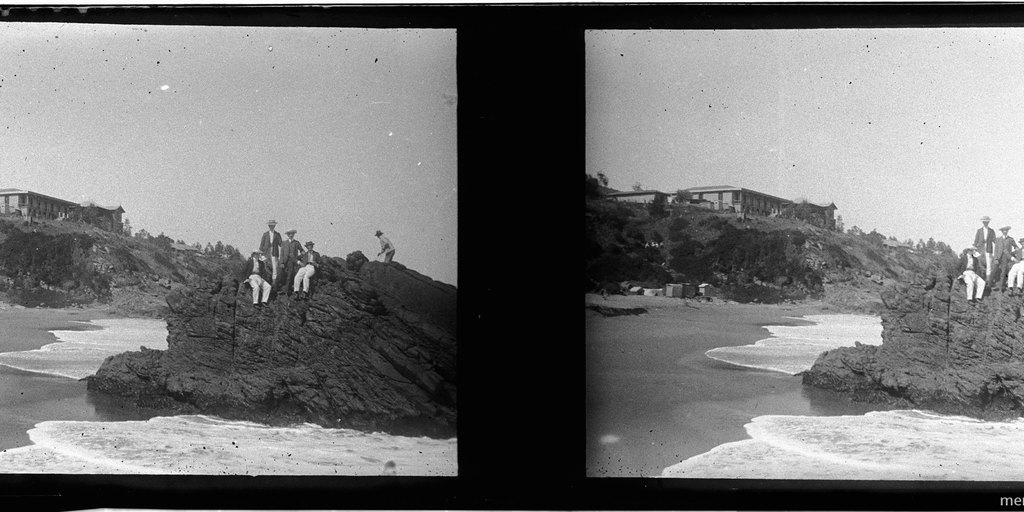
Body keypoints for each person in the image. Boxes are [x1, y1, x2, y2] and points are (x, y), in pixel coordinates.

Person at [278, 229, 305, 295]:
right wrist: (281, 262)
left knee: (290, 275)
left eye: (292, 234)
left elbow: (302, 250)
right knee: (280, 274)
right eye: (289, 234)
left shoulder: (296, 243)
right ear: (287, 235)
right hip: (284, 261)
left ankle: (287, 291)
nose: (291, 235)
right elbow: (281, 254)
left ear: (294, 234)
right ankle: (278, 289)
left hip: (292, 261)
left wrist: (299, 256)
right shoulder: (284, 243)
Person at [992, 226, 1020, 292]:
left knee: (1003, 271)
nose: (1005, 231)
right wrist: (996, 258)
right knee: (994, 270)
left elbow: (1016, 247)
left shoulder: (1010, 239)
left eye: (1006, 230)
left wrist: (1016, 251)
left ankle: (1001, 287)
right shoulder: (998, 239)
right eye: (1003, 230)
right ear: (1001, 231)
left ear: (1008, 231)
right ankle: (993, 284)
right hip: (998, 257)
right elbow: (995, 250)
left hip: (1006, 257)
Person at [260, 219, 283, 288]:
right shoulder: (265, 234)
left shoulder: (277, 234)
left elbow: (281, 244)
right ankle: (265, 281)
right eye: (270, 225)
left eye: (273, 225)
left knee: (274, 268)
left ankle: (274, 283)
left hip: (274, 253)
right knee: (265, 267)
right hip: (266, 253)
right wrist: (262, 254)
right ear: (268, 226)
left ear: (274, 226)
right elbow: (261, 246)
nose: (271, 226)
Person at [974, 216, 996, 282]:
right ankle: (980, 279)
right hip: (980, 250)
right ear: (982, 222)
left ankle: (988, 281)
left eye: (987, 221)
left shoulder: (991, 231)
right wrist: (975, 249)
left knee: (989, 265)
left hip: (988, 250)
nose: (985, 223)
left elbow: (995, 240)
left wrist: (999, 247)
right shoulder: (979, 231)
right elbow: (976, 240)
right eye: (984, 221)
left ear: (988, 222)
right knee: (980, 264)